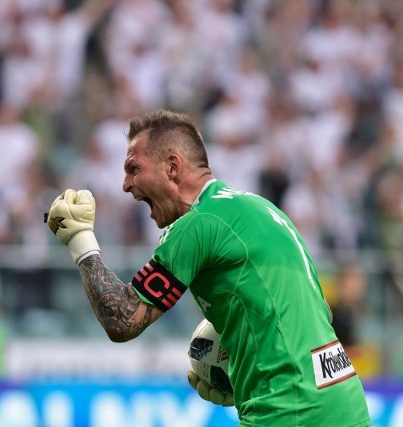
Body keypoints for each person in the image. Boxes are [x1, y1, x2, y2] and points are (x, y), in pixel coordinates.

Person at [45, 110, 371, 426]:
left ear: (172, 167)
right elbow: (320, 315)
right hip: (345, 404)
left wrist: (81, 241)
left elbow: (122, 320)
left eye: (133, 168)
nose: (125, 184)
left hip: (286, 408)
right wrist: (244, 365)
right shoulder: (263, 210)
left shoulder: (199, 224)